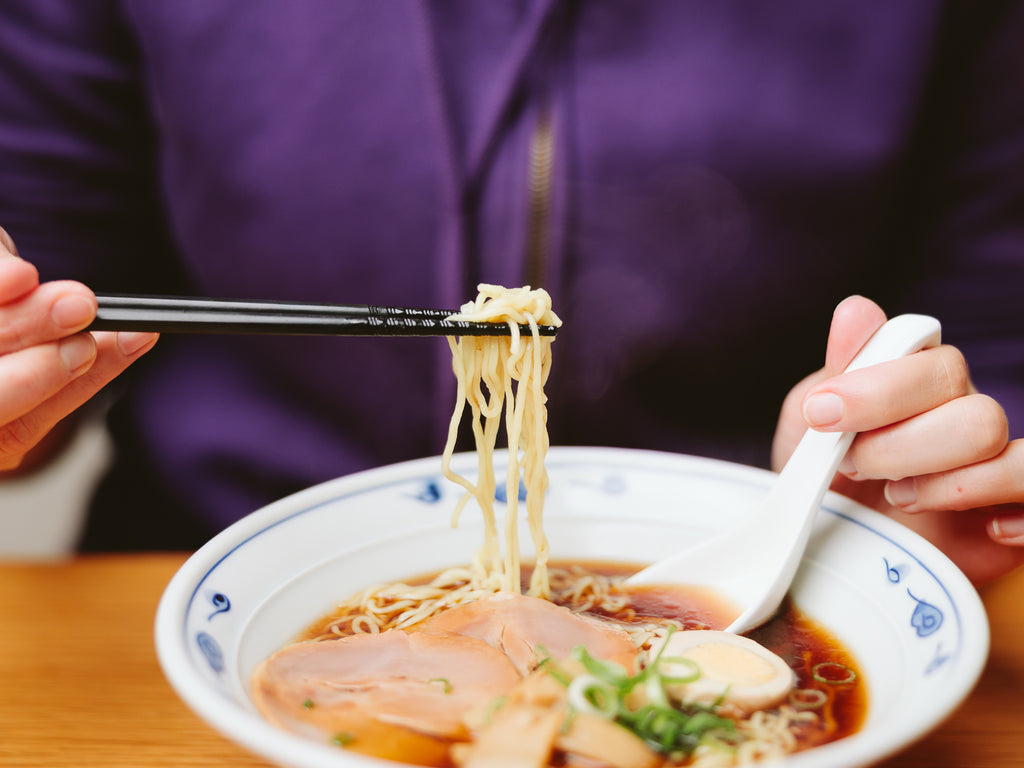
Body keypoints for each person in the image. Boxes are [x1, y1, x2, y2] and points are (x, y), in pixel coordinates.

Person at [0, 2, 1022, 584]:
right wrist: (18, 371)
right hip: (205, 565)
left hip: (771, 565)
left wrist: (905, 491)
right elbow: (56, 299)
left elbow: (997, 347)